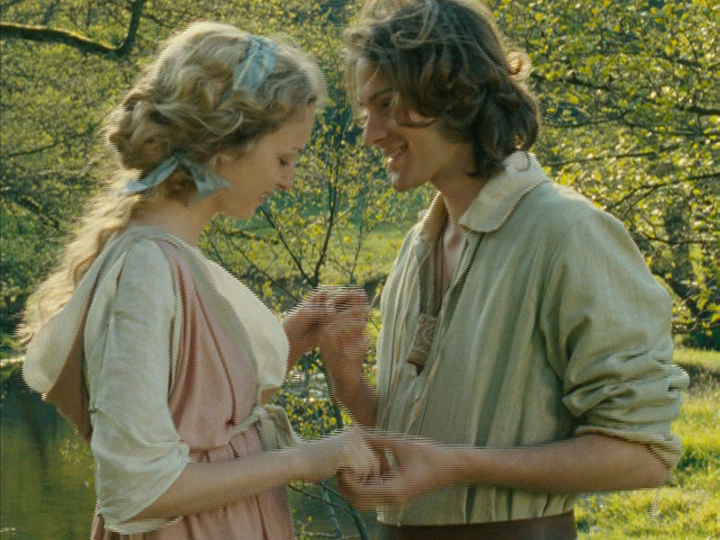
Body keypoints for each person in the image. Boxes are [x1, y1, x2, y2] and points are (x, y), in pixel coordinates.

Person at [319, 0, 689, 538]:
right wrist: (351, 387)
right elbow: (422, 449)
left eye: (388, 104)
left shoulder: (569, 233)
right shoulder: (418, 246)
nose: (371, 133)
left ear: (455, 92)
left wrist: (460, 467)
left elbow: (643, 456)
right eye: (365, 111)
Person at [20, 21, 379, 539]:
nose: (288, 180)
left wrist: (290, 339)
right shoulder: (147, 270)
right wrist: (305, 460)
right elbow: (139, 490)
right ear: (227, 142)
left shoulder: (170, 260)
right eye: (283, 158)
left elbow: (197, 418)